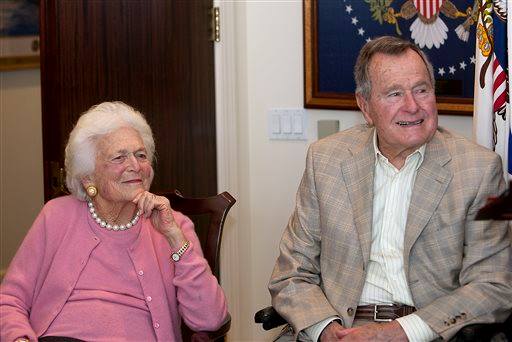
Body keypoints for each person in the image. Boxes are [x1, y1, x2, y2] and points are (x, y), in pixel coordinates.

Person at [269, 36, 512, 341]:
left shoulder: (477, 169)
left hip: (424, 331)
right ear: (365, 106)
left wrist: (401, 332)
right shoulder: (326, 160)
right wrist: (326, 330)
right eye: (394, 94)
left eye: (421, 90)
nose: (412, 106)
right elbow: (292, 272)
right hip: (338, 326)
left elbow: (492, 286)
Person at [0, 102, 228, 342]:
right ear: (88, 176)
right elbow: (10, 299)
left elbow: (211, 319)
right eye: (119, 157)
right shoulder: (57, 215)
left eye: (141, 155)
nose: (135, 166)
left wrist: (174, 237)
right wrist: (19, 338)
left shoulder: (174, 226)